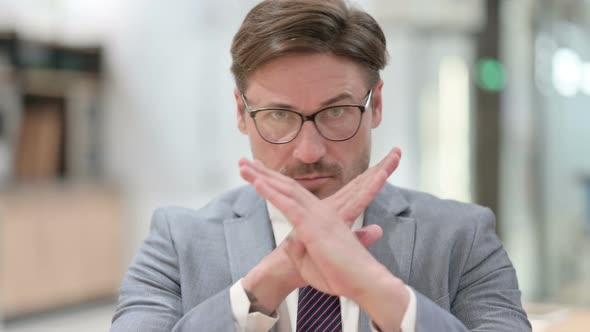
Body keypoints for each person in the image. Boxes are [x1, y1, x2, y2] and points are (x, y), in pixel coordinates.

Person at [111, 0, 531, 331]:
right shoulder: (176, 241)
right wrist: (267, 284)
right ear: (241, 113)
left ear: (376, 104)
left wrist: (379, 290)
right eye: (279, 115)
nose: (309, 150)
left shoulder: (463, 237)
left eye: (336, 112)